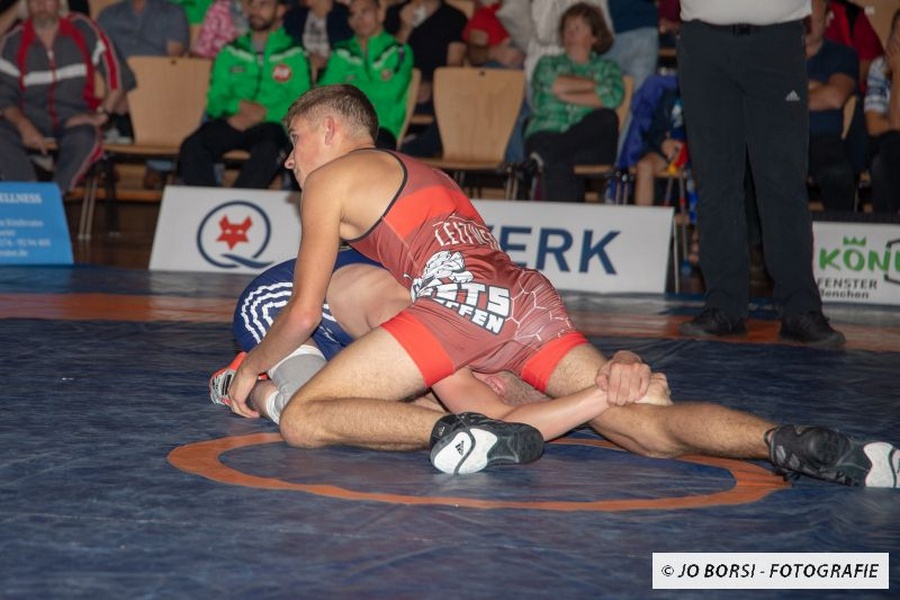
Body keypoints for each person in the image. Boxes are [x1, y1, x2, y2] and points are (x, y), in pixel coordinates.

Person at [219, 83, 900, 487]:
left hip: (459, 304)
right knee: (639, 423)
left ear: (331, 129)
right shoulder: (426, 172)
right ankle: (784, 441)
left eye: (295, 141)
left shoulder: (333, 179)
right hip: (522, 297)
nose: (290, 161)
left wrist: (251, 370)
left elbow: (303, 312)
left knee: (306, 416)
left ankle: (464, 433)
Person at [676, 0, 846, 348]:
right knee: (715, 181)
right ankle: (723, 304)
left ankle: (800, 307)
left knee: (783, 180)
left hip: (776, 40)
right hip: (704, 40)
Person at [177, 0, 312, 189]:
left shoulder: (294, 52)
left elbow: (301, 100)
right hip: (235, 120)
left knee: (270, 147)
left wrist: (264, 113)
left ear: (279, 10)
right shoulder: (231, 50)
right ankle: (209, 201)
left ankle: (236, 201)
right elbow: (215, 99)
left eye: (263, 5)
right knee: (193, 145)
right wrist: (238, 107)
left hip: (273, 124)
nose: (255, 10)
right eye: (252, 4)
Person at [0, 0, 132, 193]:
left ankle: (55, 197)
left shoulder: (83, 28)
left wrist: (103, 113)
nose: (41, 3)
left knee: (85, 137)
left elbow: (117, 73)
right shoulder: (13, 40)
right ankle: (28, 196)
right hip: (30, 117)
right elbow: (4, 96)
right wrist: (23, 125)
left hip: (74, 118)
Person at [523, 2, 622, 202]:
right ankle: (567, 219)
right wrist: (593, 87)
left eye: (577, 27)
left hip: (588, 146)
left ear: (594, 36)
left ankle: (545, 155)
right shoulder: (547, 63)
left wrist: (565, 94)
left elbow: (612, 97)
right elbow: (552, 84)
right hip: (548, 132)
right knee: (559, 160)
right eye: (567, 27)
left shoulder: (608, 68)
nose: (570, 32)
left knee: (607, 118)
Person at [317, 0, 412, 149]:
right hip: (342, 128)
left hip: (381, 127)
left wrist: (348, 86)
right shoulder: (341, 52)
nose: (359, 19)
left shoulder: (398, 51)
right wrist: (371, 87)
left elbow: (390, 93)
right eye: (353, 14)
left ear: (380, 14)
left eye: (365, 11)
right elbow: (325, 92)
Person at [385, 0, 467, 157]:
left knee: (458, 102)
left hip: (436, 93)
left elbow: (454, 66)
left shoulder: (454, 17)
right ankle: (390, 150)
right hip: (398, 89)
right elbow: (385, 64)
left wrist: (433, 86)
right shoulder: (396, 14)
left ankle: (412, 149)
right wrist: (405, 28)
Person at [806, 0, 859, 213]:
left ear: (828, 19)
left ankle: (842, 231)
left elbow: (836, 97)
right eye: (802, 19)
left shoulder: (843, 55)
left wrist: (790, 93)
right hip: (780, 138)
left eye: (814, 20)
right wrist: (817, 87)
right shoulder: (777, 57)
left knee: (838, 175)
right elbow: (767, 96)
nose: (807, 25)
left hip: (824, 140)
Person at [864, 7, 900, 215]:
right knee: (890, 149)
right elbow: (875, 125)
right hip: (888, 146)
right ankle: (890, 224)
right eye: (897, 31)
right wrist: (898, 73)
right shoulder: (880, 67)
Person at [283, 0, 353, 80]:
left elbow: (350, 51)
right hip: (300, 75)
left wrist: (327, 63)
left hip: (336, 76)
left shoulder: (344, 17)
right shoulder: (294, 17)